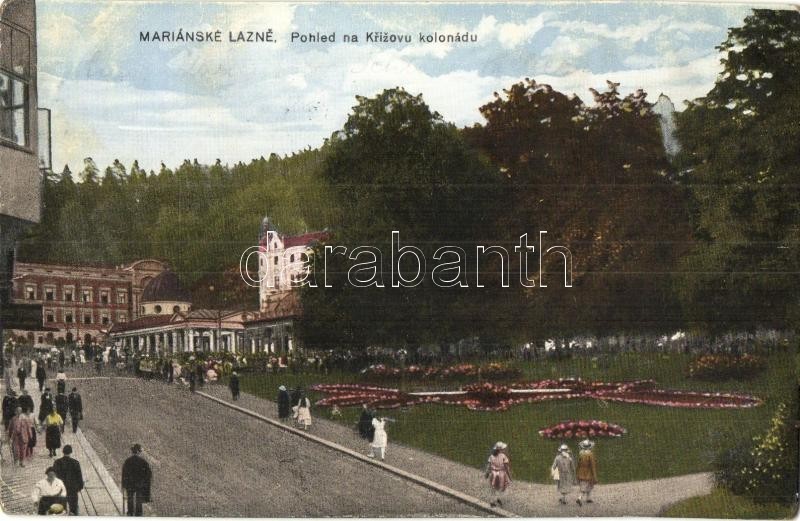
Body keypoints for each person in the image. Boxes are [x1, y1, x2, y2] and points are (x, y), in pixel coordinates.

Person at [122, 444, 152, 516]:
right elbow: (148, 474)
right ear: (139, 452)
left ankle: (130, 512)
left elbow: (124, 473)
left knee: (130, 498)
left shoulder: (128, 461)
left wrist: (124, 484)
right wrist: (145, 482)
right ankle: (138, 513)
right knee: (139, 499)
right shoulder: (143, 462)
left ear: (133, 452)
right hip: (139, 484)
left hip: (130, 483)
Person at [53, 445, 84, 515]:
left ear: (63, 452)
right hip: (72, 489)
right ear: (71, 452)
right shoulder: (75, 463)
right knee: (74, 508)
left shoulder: (57, 462)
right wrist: (80, 487)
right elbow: (79, 477)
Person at [485, 441, 511, 507]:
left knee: (493, 488)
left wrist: (487, 474)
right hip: (501, 475)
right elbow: (506, 468)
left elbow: (488, 466)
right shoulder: (503, 457)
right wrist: (509, 476)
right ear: (501, 450)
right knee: (500, 487)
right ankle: (494, 501)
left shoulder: (491, 456)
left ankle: (494, 499)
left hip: (493, 474)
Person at [576, 439, 598, 506]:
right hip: (588, 473)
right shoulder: (590, 454)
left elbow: (578, 464)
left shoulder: (580, 454)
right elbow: (592, 466)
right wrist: (595, 476)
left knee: (588, 485)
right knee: (585, 486)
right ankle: (579, 498)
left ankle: (588, 498)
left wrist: (577, 473)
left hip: (581, 472)